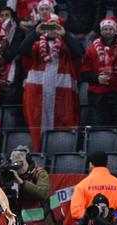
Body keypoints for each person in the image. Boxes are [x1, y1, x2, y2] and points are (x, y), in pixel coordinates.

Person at [19, 14, 82, 151]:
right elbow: (22, 50)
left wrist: (65, 35)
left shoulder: (66, 43)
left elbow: (78, 53)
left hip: (62, 92)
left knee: (62, 123)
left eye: (55, 26)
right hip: (38, 93)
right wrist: (35, 33)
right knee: (36, 122)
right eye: (49, 26)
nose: (52, 29)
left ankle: (60, 152)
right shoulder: (36, 43)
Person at [80, 16, 117, 127]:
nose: (108, 32)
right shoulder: (91, 49)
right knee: (97, 128)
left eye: (111, 29)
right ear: (101, 31)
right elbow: (83, 74)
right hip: (97, 95)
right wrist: (97, 78)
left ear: (115, 30)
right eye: (105, 29)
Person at [0, 145, 53, 225]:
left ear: (28, 160)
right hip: (23, 221)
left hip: (43, 223)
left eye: (20, 162)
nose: (18, 165)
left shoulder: (40, 173)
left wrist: (21, 182)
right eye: (14, 163)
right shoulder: (11, 175)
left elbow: (43, 193)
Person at [70, 151, 117, 222]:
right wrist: (111, 218)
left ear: (91, 164)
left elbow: (76, 212)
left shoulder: (82, 185)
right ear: (106, 163)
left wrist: (93, 218)